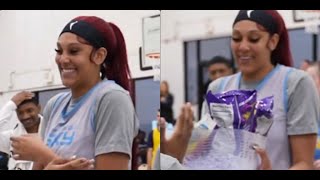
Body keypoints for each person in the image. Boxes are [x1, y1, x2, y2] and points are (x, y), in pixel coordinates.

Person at [162, 10, 320, 170]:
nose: (243, 47)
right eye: (236, 38)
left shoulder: (295, 84)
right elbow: (206, 156)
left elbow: (304, 163)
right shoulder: (217, 89)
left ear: (273, 41)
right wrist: (179, 149)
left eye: (253, 39)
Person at [10, 16, 139, 170]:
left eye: (73, 51)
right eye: (59, 51)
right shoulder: (54, 105)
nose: (63, 59)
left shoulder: (112, 99)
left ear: (99, 56)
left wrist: (43, 154)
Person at [0, 91, 42, 170]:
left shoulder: (51, 131)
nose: (25, 116)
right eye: (20, 113)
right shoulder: (12, 138)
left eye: (29, 110)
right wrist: (11, 104)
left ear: (39, 108)